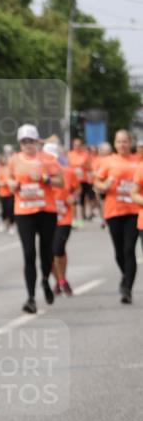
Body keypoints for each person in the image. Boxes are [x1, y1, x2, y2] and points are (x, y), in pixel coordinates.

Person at [8, 124, 63, 314]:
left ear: (37, 142)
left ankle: (46, 280)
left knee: (46, 252)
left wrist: (44, 178)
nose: (27, 145)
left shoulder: (48, 159)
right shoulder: (14, 160)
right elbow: (7, 179)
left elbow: (60, 181)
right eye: (23, 141)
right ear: (19, 143)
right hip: (24, 212)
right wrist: (11, 183)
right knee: (29, 253)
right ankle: (31, 297)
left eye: (30, 141)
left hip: (46, 210)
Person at [93, 130, 138, 304]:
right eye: (119, 142)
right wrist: (104, 184)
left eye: (125, 141)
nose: (122, 145)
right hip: (114, 211)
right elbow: (97, 183)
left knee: (129, 250)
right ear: (114, 143)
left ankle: (127, 289)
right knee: (119, 252)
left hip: (134, 211)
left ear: (130, 142)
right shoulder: (108, 162)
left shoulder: (138, 161)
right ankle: (125, 275)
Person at [43, 142, 78, 297]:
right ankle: (59, 280)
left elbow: (77, 189)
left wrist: (73, 197)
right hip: (46, 217)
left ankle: (62, 279)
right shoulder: (38, 173)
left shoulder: (68, 172)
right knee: (48, 253)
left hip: (64, 217)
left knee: (58, 248)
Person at [67, 137, 94, 224]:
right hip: (72, 179)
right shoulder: (69, 154)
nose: (77, 147)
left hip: (83, 179)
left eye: (79, 145)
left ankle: (82, 218)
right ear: (73, 145)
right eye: (75, 145)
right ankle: (73, 218)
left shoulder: (85, 154)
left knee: (82, 198)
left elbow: (90, 167)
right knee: (73, 198)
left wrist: (84, 166)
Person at [0, 146, 15, 233]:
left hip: (12, 192)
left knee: (11, 209)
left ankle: (11, 224)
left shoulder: (13, 166)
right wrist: (5, 183)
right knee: (4, 209)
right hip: (3, 192)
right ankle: (4, 222)